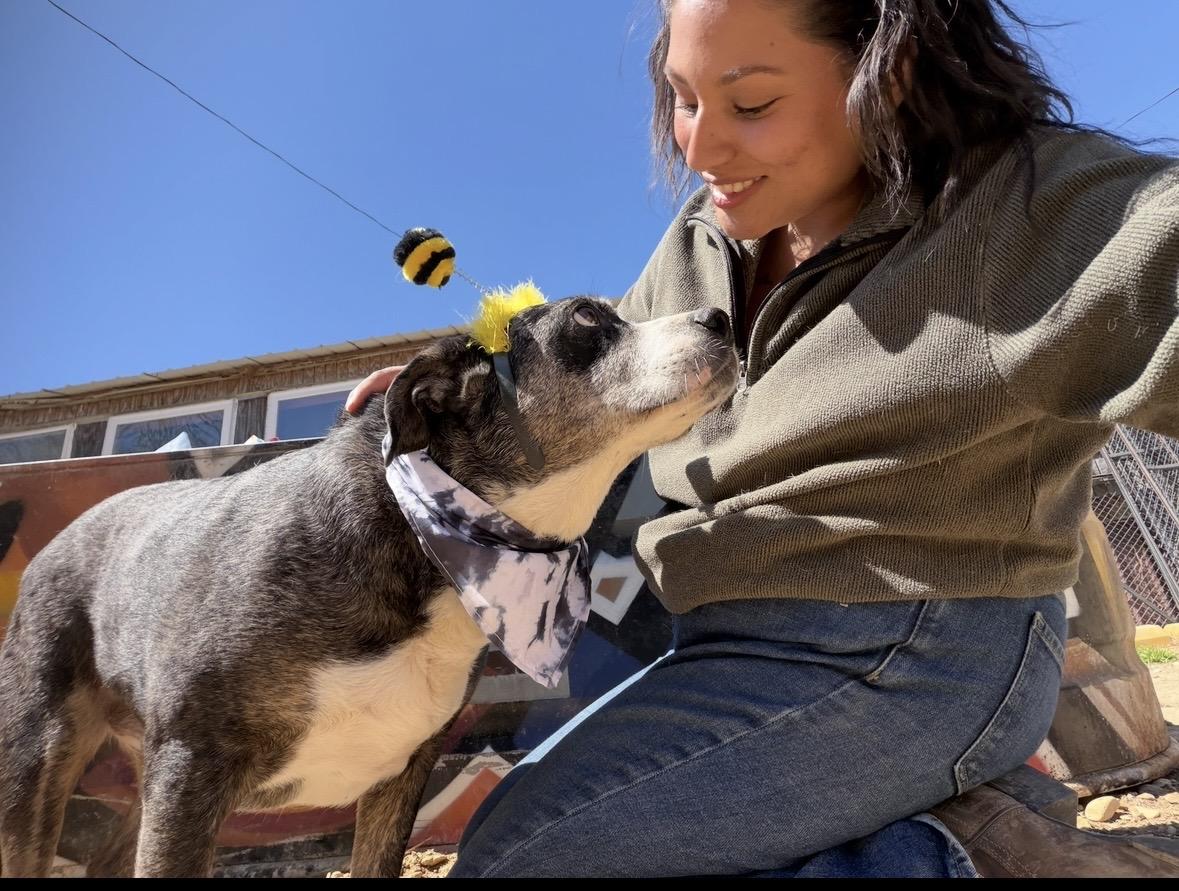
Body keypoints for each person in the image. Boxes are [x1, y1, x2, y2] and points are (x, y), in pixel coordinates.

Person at [347, 0, 1179, 877]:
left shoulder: (1022, 210)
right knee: (509, 830)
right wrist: (472, 403)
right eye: (683, 98)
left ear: (888, 75)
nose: (699, 149)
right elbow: (607, 377)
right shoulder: (703, 236)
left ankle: (970, 858)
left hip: (918, 646)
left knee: (520, 862)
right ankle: (942, 828)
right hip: (721, 644)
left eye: (750, 104)